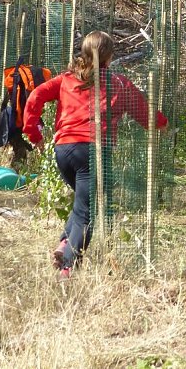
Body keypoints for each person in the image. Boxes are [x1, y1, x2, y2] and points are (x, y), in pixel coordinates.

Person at [23, 31, 168, 278]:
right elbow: (146, 116)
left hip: (64, 151)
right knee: (87, 212)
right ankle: (67, 268)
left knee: (82, 205)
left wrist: (34, 133)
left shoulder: (67, 80)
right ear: (109, 57)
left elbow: (35, 95)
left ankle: (63, 244)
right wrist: (163, 123)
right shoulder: (120, 84)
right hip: (94, 152)